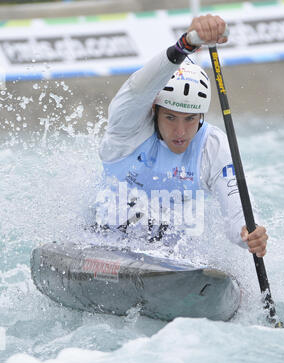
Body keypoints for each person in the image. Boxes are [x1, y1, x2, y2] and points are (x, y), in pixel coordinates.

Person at [94, 14, 268, 258]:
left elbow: (237, 210)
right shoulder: (127, 129)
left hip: (174, 264)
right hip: (103, 248)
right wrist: (184, 45)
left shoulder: (212, 146)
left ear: (201, 116)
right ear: (154, 110)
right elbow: (138, 88)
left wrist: (250, 233)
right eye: (171, 117)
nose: (180, 132)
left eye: (190, 119)